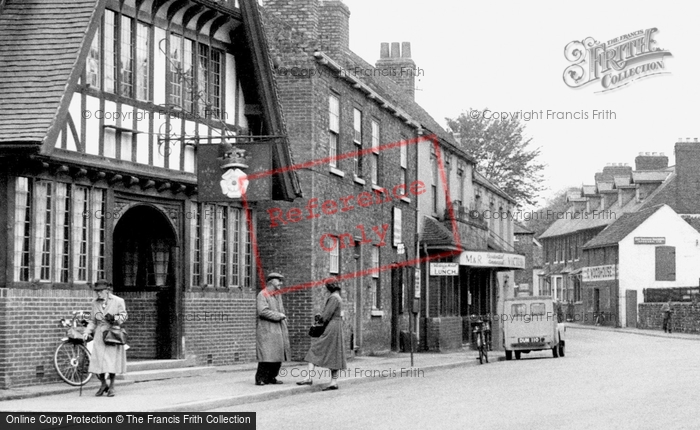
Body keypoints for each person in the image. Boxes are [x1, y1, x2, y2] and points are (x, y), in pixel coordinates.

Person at [297, 281, 347, 391]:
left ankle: (308, 377)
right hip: (337, 327)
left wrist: (320, 318)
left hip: (331, 327)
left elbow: (326, 316)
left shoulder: (333, 298)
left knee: (315, 349)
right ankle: (333, 382)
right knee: (335, 353)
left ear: (328, 287)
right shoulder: (338, 297)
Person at [83, 279, 127, 397]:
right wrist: (87, 331)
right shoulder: (95, 303)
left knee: (111, 362)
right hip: (99, 334)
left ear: (107, 291)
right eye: (97, 291)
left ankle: (112, 386)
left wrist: (114, 318)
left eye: (101, 291)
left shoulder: (118, 301)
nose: (98, 293)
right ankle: (103, 384)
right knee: (98, 362)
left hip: (112, 333)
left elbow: (124, 316)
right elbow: (92, 320)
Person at [255, 272, 290, 385]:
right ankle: (260, 378)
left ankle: (271, 377)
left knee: (278, 355)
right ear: (271, 281)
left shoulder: (277, 295)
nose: (280, 283)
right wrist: (278, 316)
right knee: (266, 355)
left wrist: (283, 318)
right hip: (267, 329)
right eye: (278, 280)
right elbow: (262, 311)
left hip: (279, 329)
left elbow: (282, 310)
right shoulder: (263, 294)